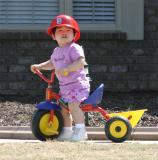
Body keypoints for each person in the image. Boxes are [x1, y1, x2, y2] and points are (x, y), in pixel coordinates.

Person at [30, 14, 90, 141]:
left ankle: (81, 131)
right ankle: (67, 132)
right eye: (60, 30)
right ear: (53, 35)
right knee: (63, 110)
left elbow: (81, 62)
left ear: (74, 35)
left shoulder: (74, 48)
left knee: (73, 107)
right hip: (65, 87)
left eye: (68, 30)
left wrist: (67, 69)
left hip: (77, 85)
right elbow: (52, 63)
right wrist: (39, 66)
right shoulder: (57, 51)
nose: (64, 33)